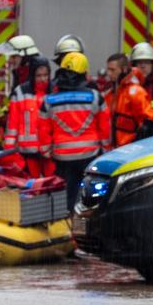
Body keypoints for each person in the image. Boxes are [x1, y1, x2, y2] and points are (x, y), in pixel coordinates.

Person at [43, 51, 107, 201]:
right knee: (90, 196)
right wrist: (106, 149)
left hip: (61, 158)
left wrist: (46, 152)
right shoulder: (95, 97)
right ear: (84, 73)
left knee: (65, 196)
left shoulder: (49, 100)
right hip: (90, 156)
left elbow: (43, 130)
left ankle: (67, 220)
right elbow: (104, 128)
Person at [3, 57, 53, 173]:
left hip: (50, 151)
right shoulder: (20, 92)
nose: (43, 79)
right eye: (39, 76)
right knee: (32, 188)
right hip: (27, 152)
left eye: (45, 75)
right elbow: (12, 125)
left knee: (54, 187)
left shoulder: (55, 92)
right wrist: (9, 152)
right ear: (32, 75)